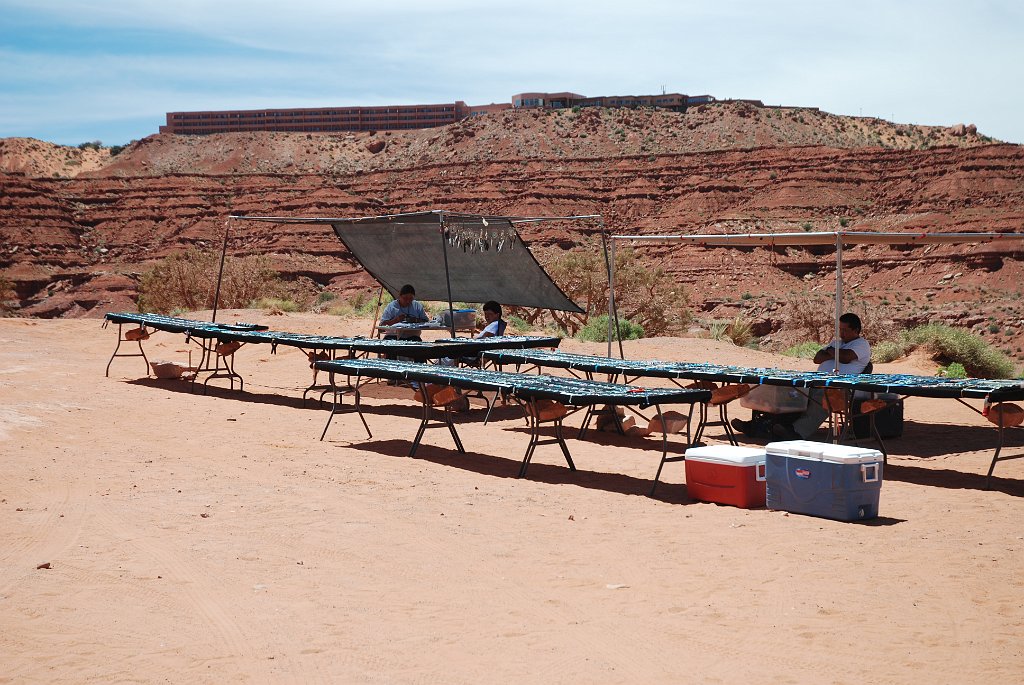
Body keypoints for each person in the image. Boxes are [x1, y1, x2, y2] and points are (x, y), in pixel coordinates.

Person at [733, 312, 871, 440]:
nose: (842, 333)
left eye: (845, 330)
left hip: (840, 387)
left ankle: (797, 432)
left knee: (822, 399)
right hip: (817, 382)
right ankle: (759, 426)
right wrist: (834, 352)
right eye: (840, 329)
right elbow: (817, 357)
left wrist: (831, 352)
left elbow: (846, 357)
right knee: (788, 394)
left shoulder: (861, 344)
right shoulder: (837, 343)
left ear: (856, 330)